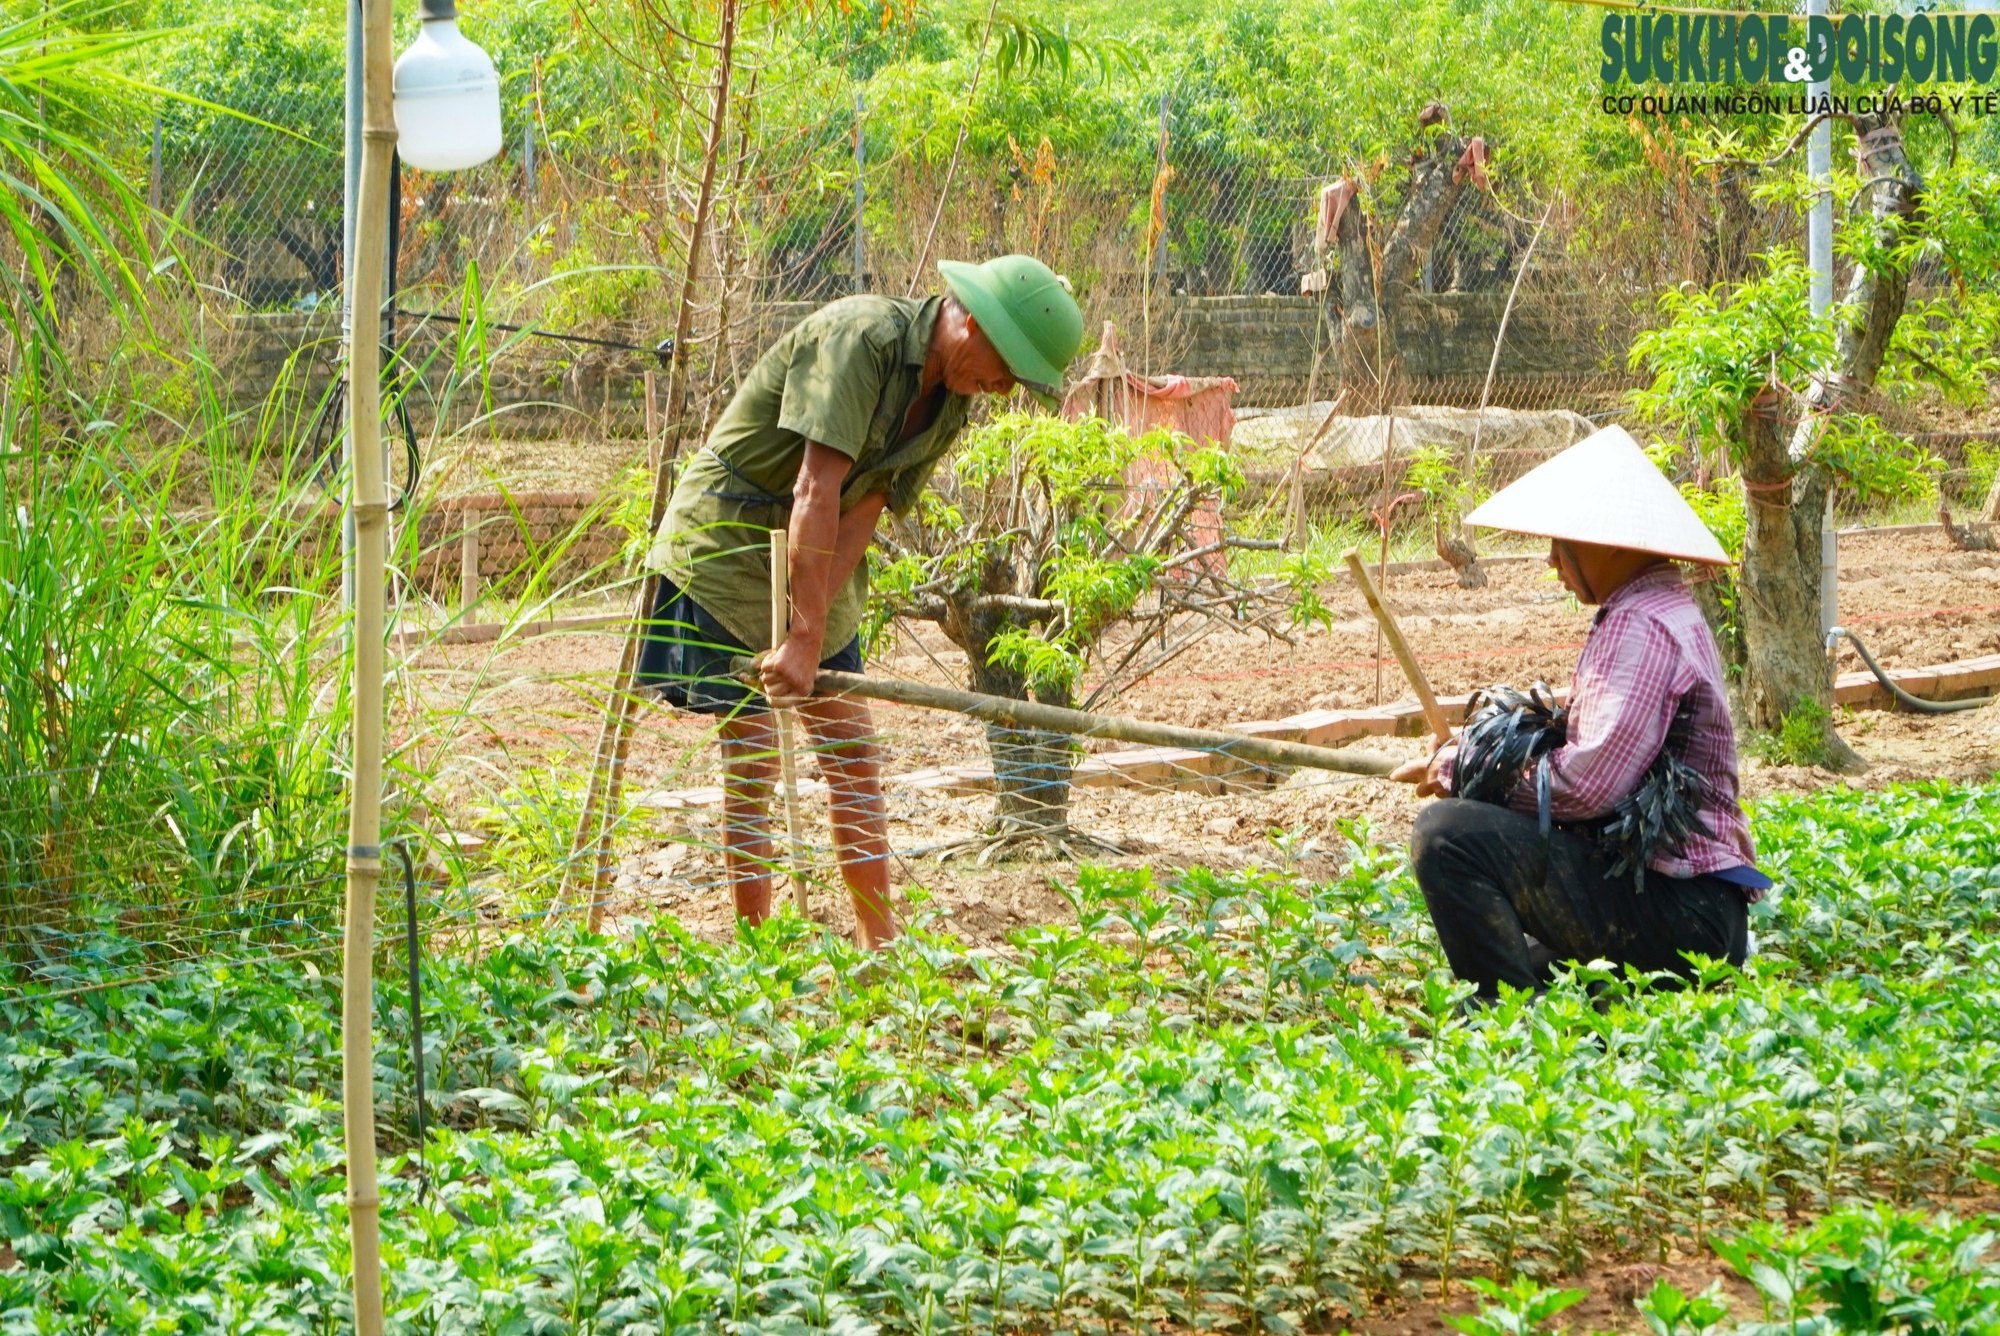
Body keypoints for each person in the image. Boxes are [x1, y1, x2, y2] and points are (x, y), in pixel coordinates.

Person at [639, 255, 1084, 948]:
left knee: (852, 755)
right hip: (730, 535)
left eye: (1015, 383)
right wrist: (800, 639)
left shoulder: (951, 404)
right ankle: (755, 956)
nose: (1000, 389)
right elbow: (814, 488)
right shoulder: (861, 340)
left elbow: (864, 506)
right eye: (1005, 368)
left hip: (814, 549)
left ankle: (882, 948)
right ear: (971, 319)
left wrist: (812, 632)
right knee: (754, 756)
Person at [1392, 425, 1772, 999]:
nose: (1551, 559)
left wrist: (1458, 768)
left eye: (1563, 541)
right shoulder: (1656, 606)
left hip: (1684, 910)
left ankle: (1509, 1028)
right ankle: (1552, 1006)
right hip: (1683, 904)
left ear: (1616, 542)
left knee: (1446, 837)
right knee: (1560, 975)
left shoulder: (1642, 625)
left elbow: (1585, 784)